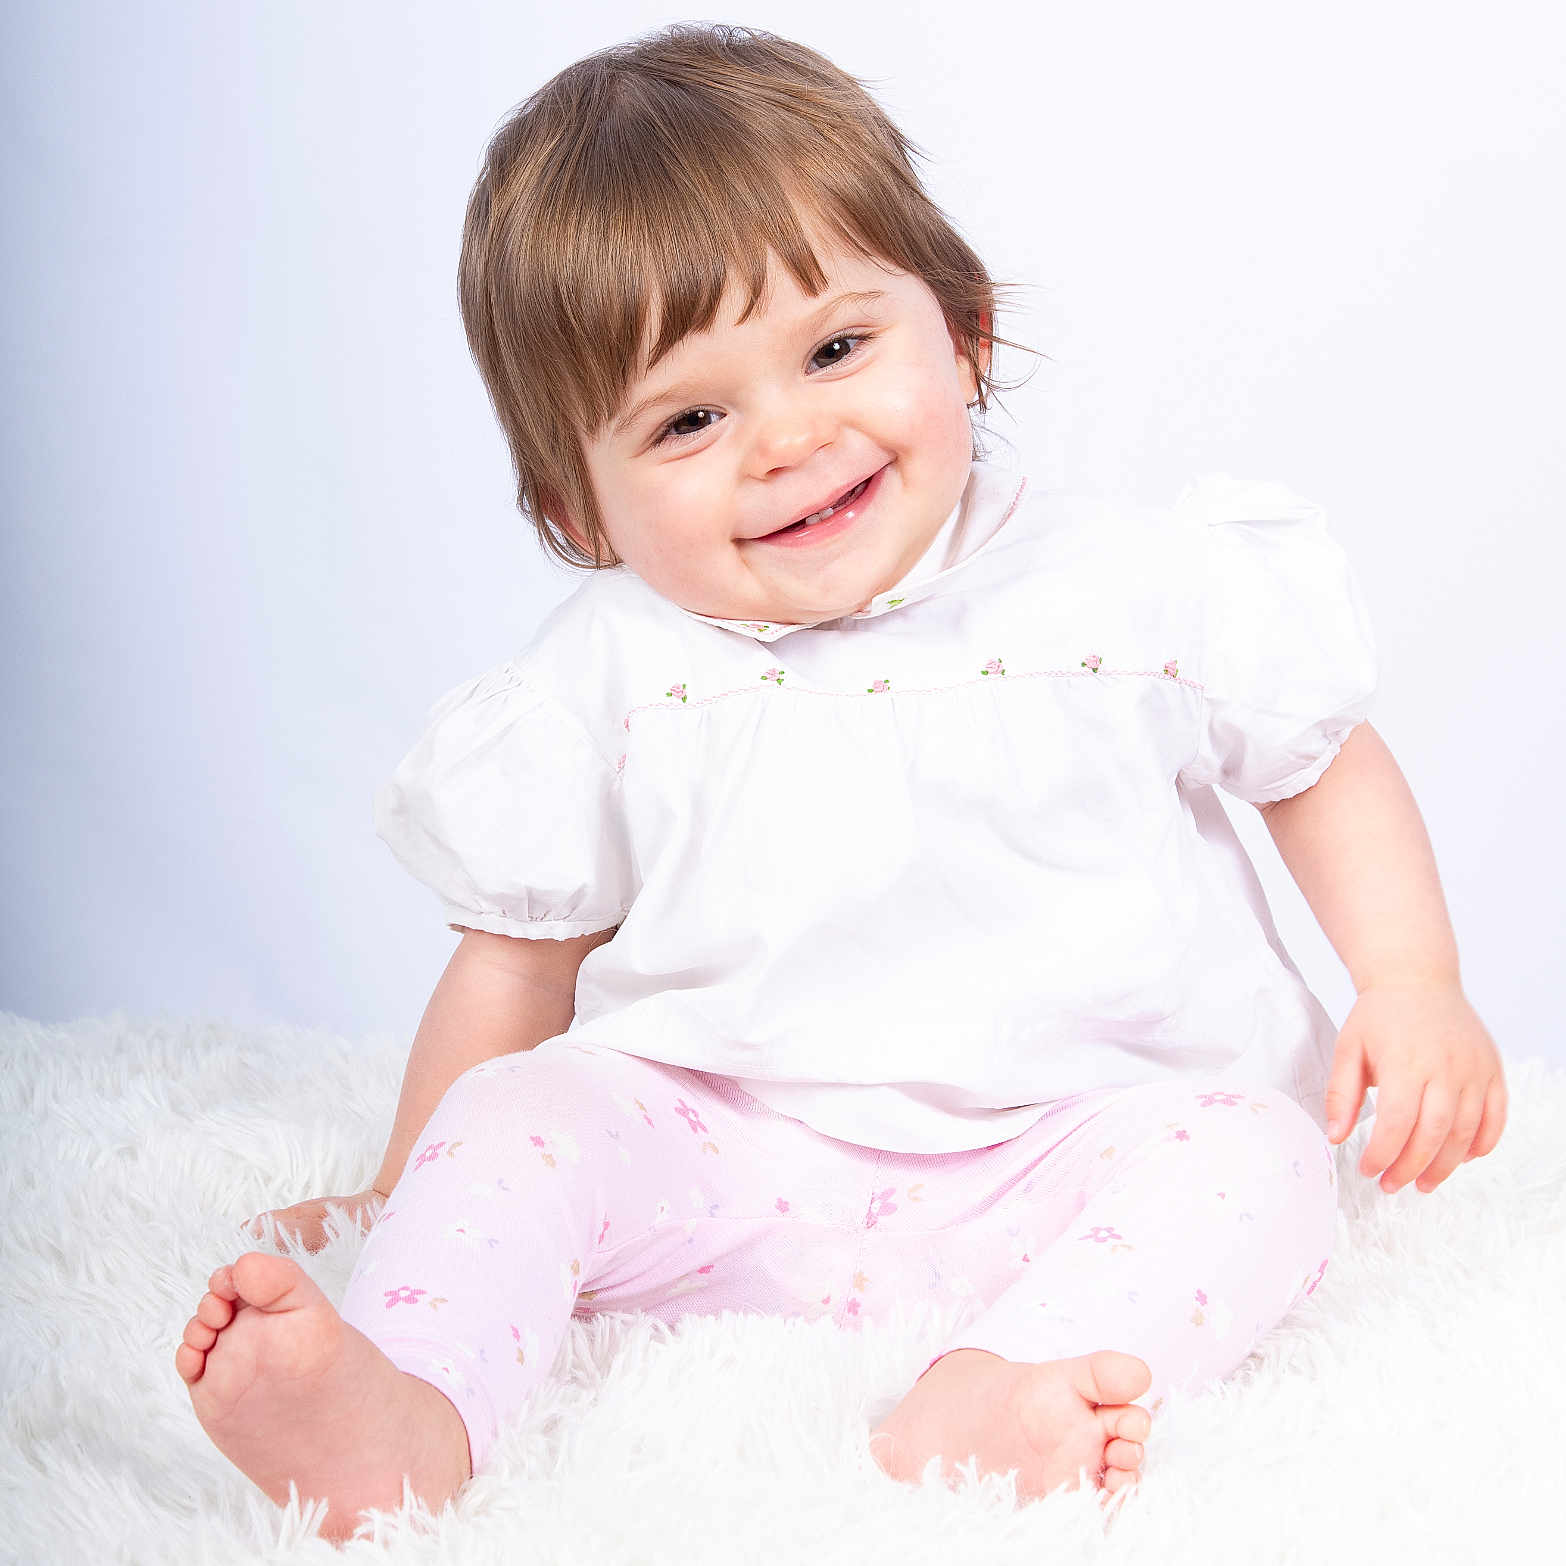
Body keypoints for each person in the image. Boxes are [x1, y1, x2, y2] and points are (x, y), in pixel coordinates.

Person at [174, 21, 1507, 1544]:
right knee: (527, 1112)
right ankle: (401, 1405)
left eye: (832, 348)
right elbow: (511, 971)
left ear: (964, 332)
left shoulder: (1133, 586)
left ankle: (992, 1384)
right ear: (576, 507)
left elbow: (1317, 759)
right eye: (688, 418)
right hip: (727, 1157)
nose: (789, 437)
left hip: (1081, 1144)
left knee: (1259, 1161)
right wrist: (408, 1186)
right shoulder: (604, 675)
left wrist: (1408, 980)